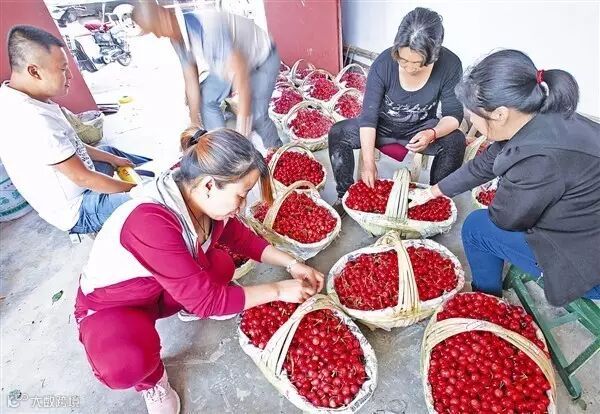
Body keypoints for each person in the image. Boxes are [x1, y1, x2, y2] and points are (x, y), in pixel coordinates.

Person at [74, 128, 323, 414]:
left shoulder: (196, 196)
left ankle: (185, 304)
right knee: (123, 363)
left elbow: (242, 239)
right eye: (241, 195)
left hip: (162, 287)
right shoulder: (150, 221)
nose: (242, 206)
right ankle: (152, 382)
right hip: (116, 302)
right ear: (209, 185)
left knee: (222, 265)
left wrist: (292, 263)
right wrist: (279, 290)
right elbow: (207, 301)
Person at [410, 49, 600, 307]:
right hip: (586, 226)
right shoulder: (543, 113)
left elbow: (506, 219)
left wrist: (508, 188)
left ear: (499, 114)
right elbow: (484, 164)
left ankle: (486, 301)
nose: (471, 119)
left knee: (477, 227)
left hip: (587, 264)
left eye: (473, 113)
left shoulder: (536, 160)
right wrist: (434, 191)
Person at [0, 25, 151, 234]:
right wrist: (138, 191)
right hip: (80, 208)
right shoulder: (33, 119)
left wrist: (114, 160)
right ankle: (157, 187)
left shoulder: (19, 96)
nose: (70, 75)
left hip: (80, 183)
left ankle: (159, 172)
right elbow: (83, 178)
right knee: (152, 200)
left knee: (111, 153)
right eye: (63, 69)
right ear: (34, 71)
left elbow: (72, 145)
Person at [328, 7, 466, 214]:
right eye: (403, 60)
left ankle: (435, 200)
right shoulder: (383, 64)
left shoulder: (450, 65)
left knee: (455, 141)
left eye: (417, 63)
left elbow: (454, 115)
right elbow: (368, 117)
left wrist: (432, 133)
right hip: (382, 128)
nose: (409, 67)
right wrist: (368, 162)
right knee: (338, 132)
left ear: (434, 55)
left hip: (421, 130)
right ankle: (344, 195)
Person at [132, 2, 282, 149]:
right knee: (206, 97)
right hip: (227, 65)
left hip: (262, 59)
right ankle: (223, 148)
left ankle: (277, 152)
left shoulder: (209, 28)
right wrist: (194, 122)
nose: (158, 36)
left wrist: (243, 130)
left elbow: (242, 80)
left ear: (163, 14)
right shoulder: (177, 39)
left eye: (155, 29)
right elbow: (191, 80)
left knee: (257, 116)